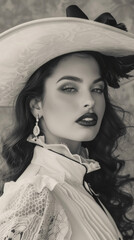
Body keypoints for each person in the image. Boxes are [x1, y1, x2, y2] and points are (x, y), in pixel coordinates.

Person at [0, 4, 134, 240]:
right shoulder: (36, 195)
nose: (89, 101)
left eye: (97, 88)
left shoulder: (80, 182)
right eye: (69, 88)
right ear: (36, 105)